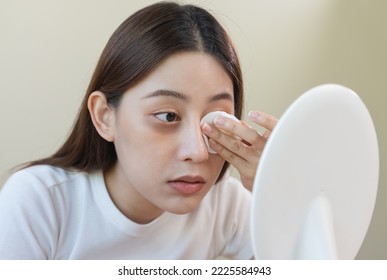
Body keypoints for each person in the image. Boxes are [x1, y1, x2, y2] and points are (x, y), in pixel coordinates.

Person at [0, 1, 277, 259]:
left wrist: (283, 193)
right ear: (104, 116)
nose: (198, 151)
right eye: (168, 116)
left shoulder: (227, 205)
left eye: (216, 119)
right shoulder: (40, 203)